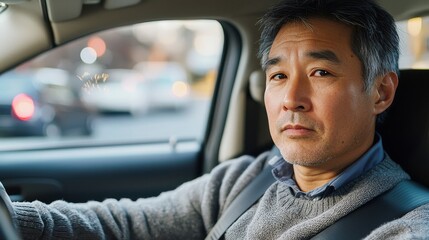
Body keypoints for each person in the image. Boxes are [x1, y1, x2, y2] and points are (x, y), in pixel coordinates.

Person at [4, 0, 429, 239]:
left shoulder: (404, 226)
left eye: (320, 73)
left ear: (381, 92)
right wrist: (15, 218)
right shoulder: (246, 179)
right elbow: (127, 224)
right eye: (278, 75)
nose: (291, 100)